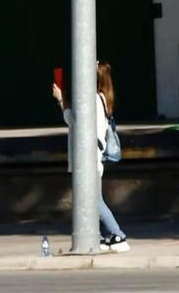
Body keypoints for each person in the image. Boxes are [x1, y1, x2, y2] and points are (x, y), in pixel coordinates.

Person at [52, 62, 130, 252]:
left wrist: (61, 100)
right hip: (92, 156)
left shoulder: (94, 99)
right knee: (92, 198)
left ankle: (118, 235)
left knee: (92, 199)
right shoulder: (100, 98)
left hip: (89, 157)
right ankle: (101, 236)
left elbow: (75, 122)